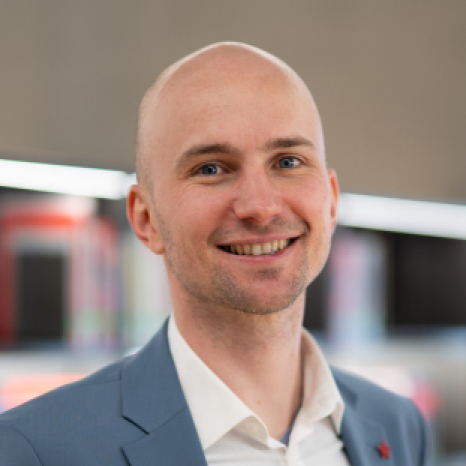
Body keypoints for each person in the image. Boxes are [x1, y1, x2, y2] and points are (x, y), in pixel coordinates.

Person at [0, 42, 430, 465]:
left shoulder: (397, 425)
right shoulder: (36, 450)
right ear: (146, 219)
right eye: (211, 169)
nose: (260, 207)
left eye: (287, 162)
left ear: (332, 202)